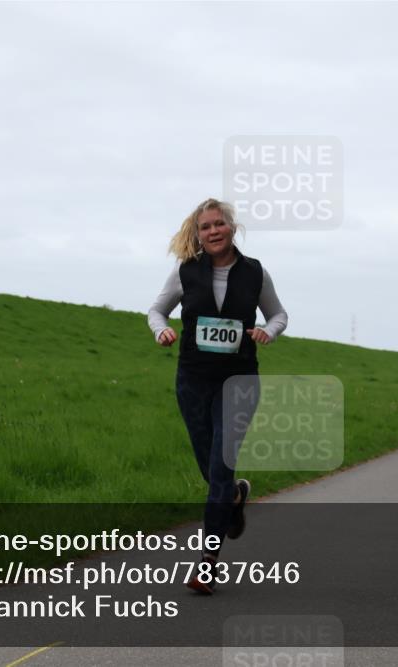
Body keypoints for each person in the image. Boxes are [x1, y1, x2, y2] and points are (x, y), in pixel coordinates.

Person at [148, 198, 288, 594]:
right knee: (211, 469)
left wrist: (268, 331)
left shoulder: (255, 273)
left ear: (231, 227)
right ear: (198, 233)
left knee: (221, 467)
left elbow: (278, 314)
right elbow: (156, 311)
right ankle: (234, 498)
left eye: (219, 224)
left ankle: (207, 564)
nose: (213, 231)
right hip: (192, 380)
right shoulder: (185, 272)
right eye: (205, 227)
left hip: (240, 381)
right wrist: (162, 331)